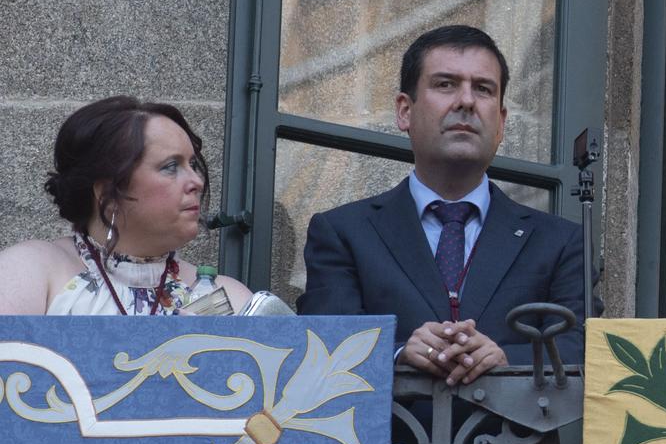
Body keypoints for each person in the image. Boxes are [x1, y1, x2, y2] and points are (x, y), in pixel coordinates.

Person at [300, 24, 587, 379]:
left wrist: (503, 360)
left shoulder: (560, 242)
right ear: (404, 111)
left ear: (500, 123)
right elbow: (323, 343)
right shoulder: (343, 233)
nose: (466, 101)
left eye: (483, 89)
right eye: (445, 84)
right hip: (393, 435)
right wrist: (399, 352)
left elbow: (584, 348)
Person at [0, 96, 252, 315]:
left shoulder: (230, 298)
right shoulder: (30, 272)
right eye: (171, 166)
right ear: (108, 193)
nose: (197, 181)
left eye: (193, 165)